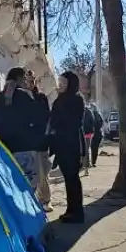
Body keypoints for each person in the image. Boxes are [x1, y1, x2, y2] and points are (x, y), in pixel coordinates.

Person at [0, 67, 42, 192]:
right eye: (25, 79)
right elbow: (37, 117)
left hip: (5, 149)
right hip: (24, 148)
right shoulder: (24, 95)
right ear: (20, 78)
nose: (26, 82)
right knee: (28, 188)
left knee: (11, 186)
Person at [49, 71, 85, 223]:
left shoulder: (76, 99)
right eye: (60, 82)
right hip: (61, 144)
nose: (60, 85)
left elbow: (73, 122)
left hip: (71, 144)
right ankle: (71, 210)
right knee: (69, 179)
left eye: (63, 82)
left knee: (72, 179)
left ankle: (77, 213)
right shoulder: (61, 99)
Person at [25, 70, 53, 212]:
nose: (29, 83)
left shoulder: (41, 97)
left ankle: (46, 200)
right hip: (25, 142)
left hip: (40, 140)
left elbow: (46, 117)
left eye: (31, 80)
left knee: (42, 173)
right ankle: (30, 201)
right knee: (29, 173)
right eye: (27, 80)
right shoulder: (21, 97)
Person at [81, 101, 96, 175]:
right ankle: (84, 166)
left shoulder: (88, 111)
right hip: (82, 133)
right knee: (83, 150)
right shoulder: (79, 111)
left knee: (86, 150)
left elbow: (93, 121)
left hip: (87, 133)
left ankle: (86, 168)